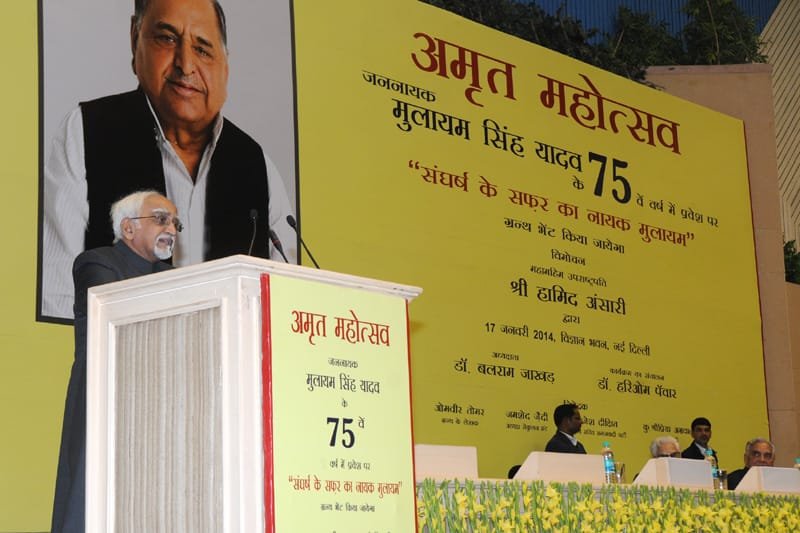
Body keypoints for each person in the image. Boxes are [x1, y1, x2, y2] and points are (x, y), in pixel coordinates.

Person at [42, 0, 297, 320]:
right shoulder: (87, 132)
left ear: (225, 68)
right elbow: (58, 299)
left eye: (203, 49)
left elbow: (286, 305)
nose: (186, 64)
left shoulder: (256, 165)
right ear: (135, 39)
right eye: (168, 38)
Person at [51, 190, 180, 533]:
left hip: (160, 402)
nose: (172, 229)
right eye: (161, 219)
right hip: (107, 396)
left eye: (175, 222)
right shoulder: (98, 263)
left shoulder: (174, 278)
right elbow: (120, 315)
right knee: (94, 500)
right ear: (128, 228)